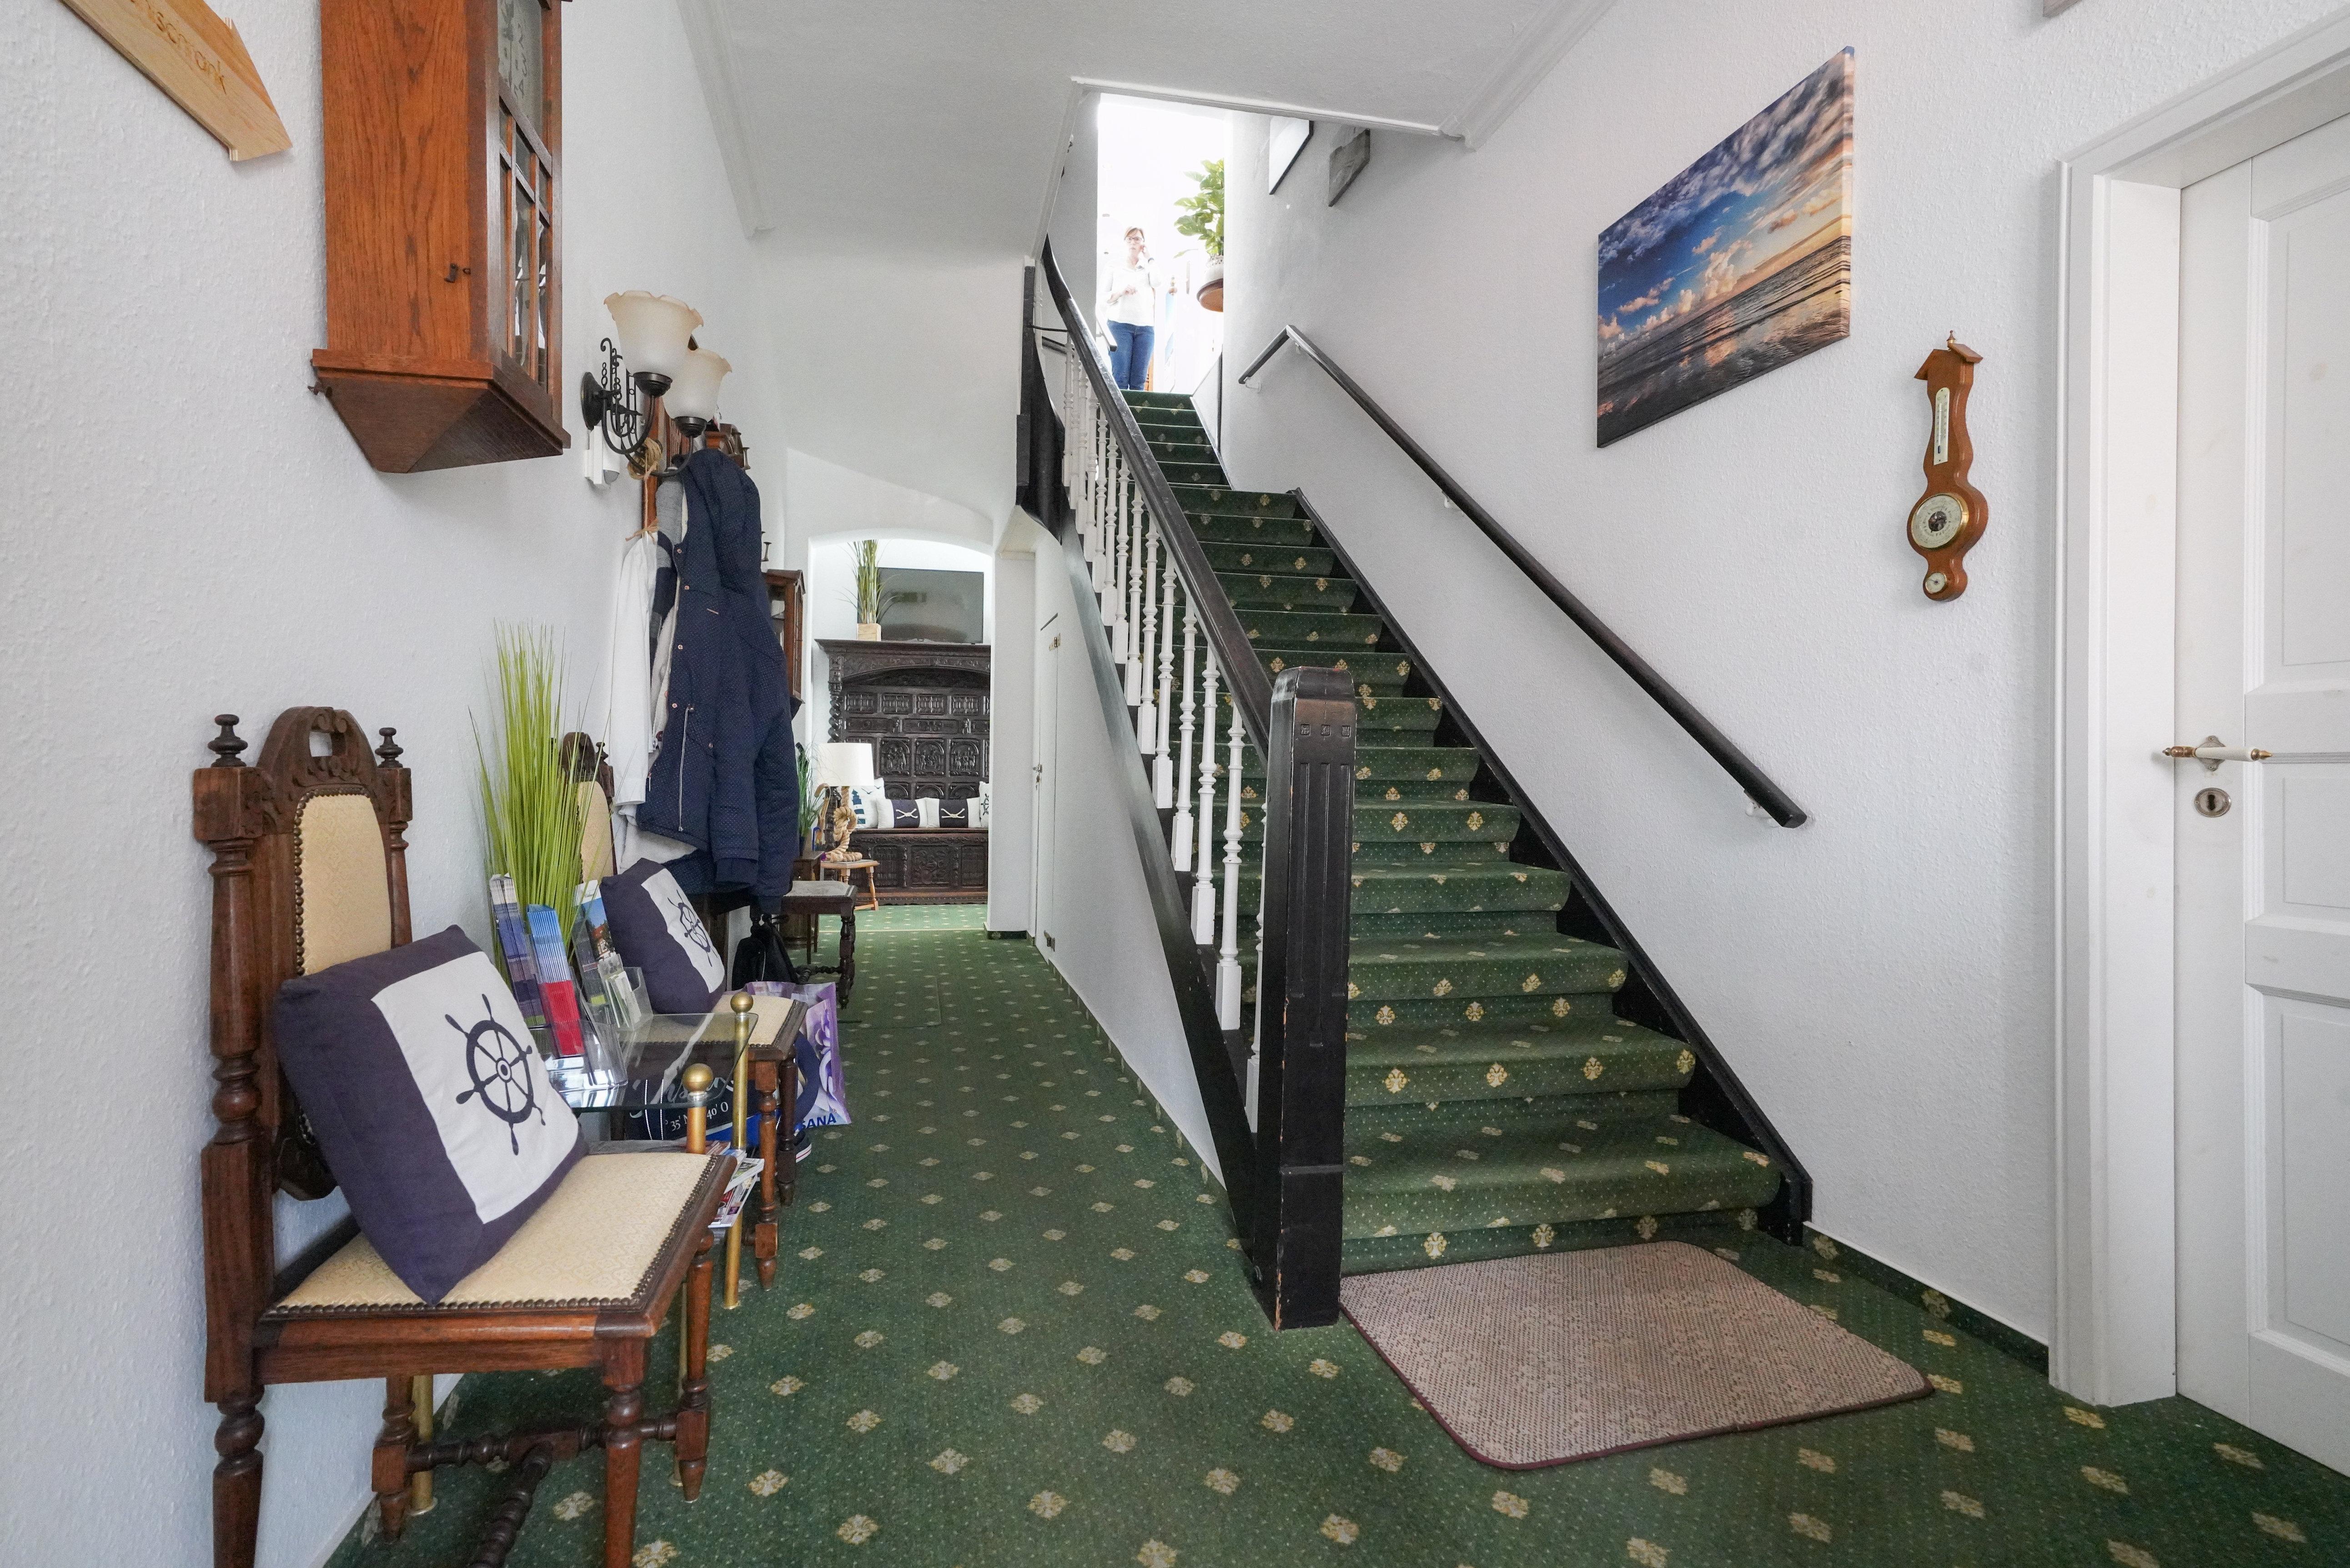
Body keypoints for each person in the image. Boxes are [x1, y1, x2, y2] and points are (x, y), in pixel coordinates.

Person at [1102, 226, 1158, 391]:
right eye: (1130, 239)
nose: (1133, 242)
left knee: (1139, 381)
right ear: (1125, 242)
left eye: (1137, 239)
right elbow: (1103, 297)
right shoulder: (1114, 266)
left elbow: (1158, 282)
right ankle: (1117, 410)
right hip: (1120, 326)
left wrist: (1150, 258)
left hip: (1146, 328)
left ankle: (1135, 410)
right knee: (1121, 377)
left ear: (1143, 243)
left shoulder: (1148, 267)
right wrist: (1121, 291)